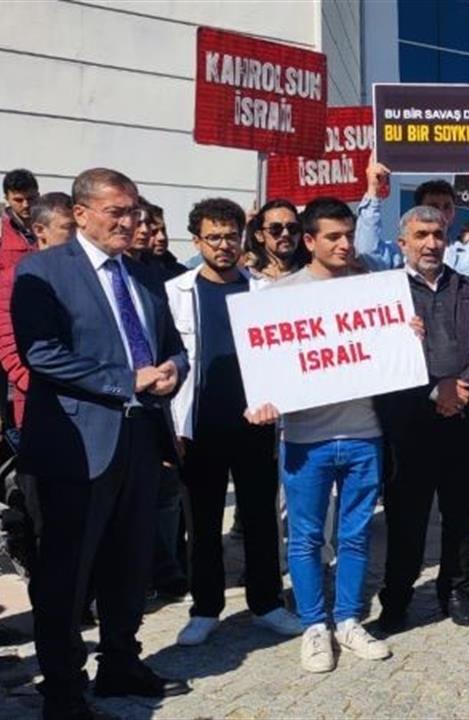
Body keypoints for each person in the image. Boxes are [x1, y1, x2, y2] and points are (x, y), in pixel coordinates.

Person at [14, 168, 191, 717]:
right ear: (82, 213)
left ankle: (121, 662)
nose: (130, 221)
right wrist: (125, 380)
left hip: (140, 437)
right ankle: (64, 689)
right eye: (117, 211)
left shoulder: (141, 273)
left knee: (129, 562)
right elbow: (42, 353)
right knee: (67, 575)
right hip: (78, 445)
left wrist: (173, 370)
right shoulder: (42, 270)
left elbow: (171, 346)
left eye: (134, 210)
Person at [245, 197, 392, 672]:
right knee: (305, 538)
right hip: (305, 439)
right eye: (333, 236)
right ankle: (314, 625)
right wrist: (261, 400)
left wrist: (407, 332)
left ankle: (347, 619)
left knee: (355, 534)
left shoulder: (372, 291)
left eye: (348, 235)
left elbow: (392, 352)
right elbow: (263, 364)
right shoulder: (279, 296)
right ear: (309, 241)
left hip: (364, 432)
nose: (344, 244)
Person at [166, 198, 302, 647]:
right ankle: (205, 609)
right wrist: (170, 429)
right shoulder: (175, 292)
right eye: (214, 237)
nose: (224, 245)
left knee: (261, 519)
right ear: (197, 241)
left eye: (231, 236)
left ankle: (266, 604)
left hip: (255, 425)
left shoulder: (263, 291)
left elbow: (284, 356)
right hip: (198, 427)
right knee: (202, 525)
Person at [376, 205, 469, 633]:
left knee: (462, 513)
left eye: (438, 235)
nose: (431, 243)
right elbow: (378, 356)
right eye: (421, 235)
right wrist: (434, 389)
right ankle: (397, 597)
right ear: (402, 242)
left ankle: (456, 590)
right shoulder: (384, 293)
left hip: (463, 418)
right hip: (409, 422)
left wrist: (464, 386)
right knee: (407, 516)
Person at [356, 161, 469, 286]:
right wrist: (373, 191)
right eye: (433, 206)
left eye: (447, 207)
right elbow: (367, 251)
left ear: (454, 212)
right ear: (418, 210)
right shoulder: (399, 254)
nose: (440, 213)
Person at [0, 193, 74, 427]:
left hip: (92, 404)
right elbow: (11, 351)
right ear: (40, 231)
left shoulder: (85, 276)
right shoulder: (14, 279)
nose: (77, 236)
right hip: (41, 404)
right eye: (69, 228)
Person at [246, 198, 310, 283]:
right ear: (260, 236)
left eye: (292, 227)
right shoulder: (248, 277)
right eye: (275, 228)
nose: (285, 233)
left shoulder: (313, 276)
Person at [2, 168, 38, 249]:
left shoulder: (50, 226)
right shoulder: (2, 231)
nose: (26, 205)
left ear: (38, 195)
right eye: (18, 200)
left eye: (30, 199)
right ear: (7, 199)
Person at [147, 206, 186, 281]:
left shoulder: (181, 273)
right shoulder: (131, 272)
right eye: (153, 232)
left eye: (163, 230)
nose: (162, 237)